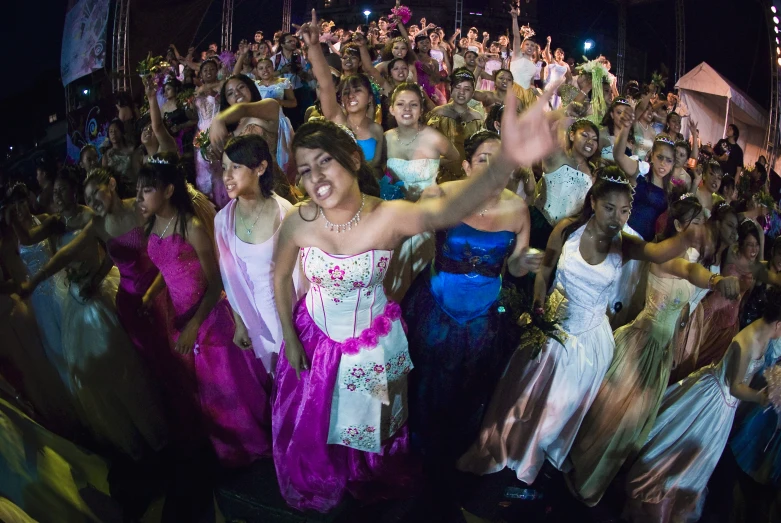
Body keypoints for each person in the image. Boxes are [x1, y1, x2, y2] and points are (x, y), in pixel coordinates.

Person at [270, 59, 560, 512]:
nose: (315, 177)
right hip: (315, 340)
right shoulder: (298, 221)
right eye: (305, 169)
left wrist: (504, 163)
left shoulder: (387, 216)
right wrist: (290, 338)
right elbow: (278, 277)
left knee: (367, 433)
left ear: (350, 159)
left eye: (324, 161)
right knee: (319, 426)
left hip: (370, 345)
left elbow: (444, 212)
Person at [457, 167, 701, 487]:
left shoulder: (626, 244)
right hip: (549, 329)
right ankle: (503, 455)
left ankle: (529, 469)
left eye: (625, 211)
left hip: (586, 347)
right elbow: (545, 270)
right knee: (521, 398)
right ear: (594, 202)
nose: (617, 217)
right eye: (609, 208)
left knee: (553, 415)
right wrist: (540, 300)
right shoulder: (567, 230)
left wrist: (688, 238)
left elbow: (656, 252)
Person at [566, 194, 740, 506]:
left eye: (702, 221)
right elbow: (690, 274)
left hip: (660, 352)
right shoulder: (668, 258)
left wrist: (676, 345)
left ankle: (597, 479)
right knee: (613, 418)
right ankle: (582, 475)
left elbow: (685, 303)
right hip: (641, 344)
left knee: (631, 427)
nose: (701, 227)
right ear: (678, 225)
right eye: (695, 221)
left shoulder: (694, 256)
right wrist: (715, 279)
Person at [402, 130, 543, 485]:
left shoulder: (518, 208)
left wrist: (524, 263)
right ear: (466, 165)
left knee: (471, 384)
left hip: (485, 313)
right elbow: (411, 238)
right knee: (428, 378)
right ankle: (419, 448)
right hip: (437, 304)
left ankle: (456, 451)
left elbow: (511, 267)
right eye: (484, 159)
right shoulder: (442, 194)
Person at [21, 168, 168, 458]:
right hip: (84, 297)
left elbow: (117, 252)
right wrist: (35, 279)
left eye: (65, 190)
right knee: (101, 370)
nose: (59, 197)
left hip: (139, 288)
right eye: (55, 193)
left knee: (143, 357)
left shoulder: (107, 214)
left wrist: (99, 277)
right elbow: (60, 252)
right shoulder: (61, 223)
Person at [137, 157, 272, 467]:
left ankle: (249, 446)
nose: (140, 196)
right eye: (139, 190)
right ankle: (226, 446)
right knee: (205, 392)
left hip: (209, 318)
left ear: (168, 190)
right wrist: (150, 293)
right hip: (181, 315)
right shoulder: (152, 226)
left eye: (147, 189)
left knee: (227, 387)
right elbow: (168, 267)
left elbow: (215, 284)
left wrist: (194, 326)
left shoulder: (192, 226)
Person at [624, 288, 781, 523]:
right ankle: (657, 500)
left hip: (725, 407)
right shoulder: (746, 341)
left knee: (695, 461)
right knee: (683, 457)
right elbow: (736, 386)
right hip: (714, 403)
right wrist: (761, 397)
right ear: (778, 324)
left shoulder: (763, 333)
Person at [215, 134, 307, 374]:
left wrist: (295, 330)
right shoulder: (223, 221)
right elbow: (230, 278)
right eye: (224, 167)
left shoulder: (284, 212)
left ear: (261, 168)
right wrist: (239, 322)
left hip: (288, 314)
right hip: (253, 316)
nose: (227, 176)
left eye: (236, 167)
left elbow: (300, 278)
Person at [383, 82, 460, 301]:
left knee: (423, 277)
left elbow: (455, 159)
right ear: (391, 109)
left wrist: (434, 172)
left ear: (421, 110)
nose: (407, 110)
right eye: (401, 104)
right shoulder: (386, 138)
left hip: (428, 216)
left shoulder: (434, 138)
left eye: (413, 105)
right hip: (395, 215)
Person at [301, 24, 385, 172]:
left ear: (370, 98)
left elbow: (378, 168)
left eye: (357, 90)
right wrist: (314, 45)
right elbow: (325, 83)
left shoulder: (377, 129)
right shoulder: (337, 119)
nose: (350, 95)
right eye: (346, 92)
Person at [529, 118, 599, 250]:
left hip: (568, 233)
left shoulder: (593, 171)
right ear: (572, 135)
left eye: (595, 139)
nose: (590, 142)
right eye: (584, 135)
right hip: (541, 224)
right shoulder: (557, 157)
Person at [613, 122, 676, 242]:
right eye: (660, 157)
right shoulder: (641, 171)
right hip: (625, 234)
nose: (663, 164)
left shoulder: (670, 188)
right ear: (652, 156)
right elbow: (618, 156)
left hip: (646, 244)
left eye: (668, 160)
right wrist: (625, 128)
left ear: (673, 164)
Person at [426, 68, 485, 179]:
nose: (461, 92)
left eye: (467, 89)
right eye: (458, 87)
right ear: (450, 88)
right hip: (439, 176)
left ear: (473, 92)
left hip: (467, 178)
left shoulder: (477, 118)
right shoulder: (438, 113)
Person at [192, 57, 223, 202]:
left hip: (216, 127)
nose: (208, 72)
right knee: (202, 165)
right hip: (201, 130)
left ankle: (220, 199)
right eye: (205, 70)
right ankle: (206, 202)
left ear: (217, 71)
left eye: (211, 69)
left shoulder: (222, 85)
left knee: (216, 164)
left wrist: (215, 95)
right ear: (201, 74)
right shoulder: (198, 90)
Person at [508, 7, 538, 111]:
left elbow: (531, 83)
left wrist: (535, 90)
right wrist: (515, 18)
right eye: (527, 44)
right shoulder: (517, 55)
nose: (530, 47)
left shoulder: (533, 64)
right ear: (522, 46)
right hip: (514, 92)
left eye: (532, 45)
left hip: (528, 96)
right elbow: (516, 36)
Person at [101, 119, 140, 198]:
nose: (113, 134)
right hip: (117, 193)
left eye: (116, 130)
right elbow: (104, 178)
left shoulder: (132, 151)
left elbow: (138, 173)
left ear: (122, 132)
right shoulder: (106, 155)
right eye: (111, 132)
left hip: (134, 191)